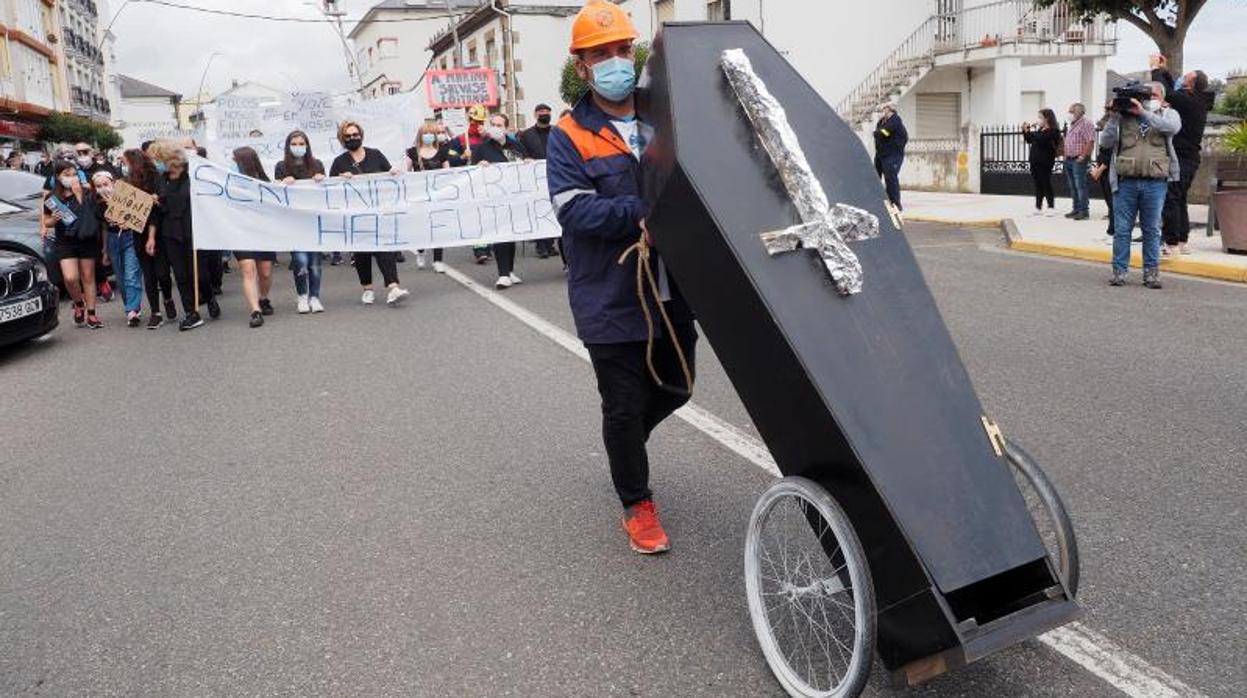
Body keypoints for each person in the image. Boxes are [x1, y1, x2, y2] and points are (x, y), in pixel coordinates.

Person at [547, 0, 697, 554]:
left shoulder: (667, 114)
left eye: (621, 49)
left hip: (672, 289)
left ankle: (625, 441)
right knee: (624, 404)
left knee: (679, 386)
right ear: (582, 67)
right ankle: (637, 503)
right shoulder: (568, 134)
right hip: (608, 295)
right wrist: (642, 216)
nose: (614, 61)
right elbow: (573, 209)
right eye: (600, 54)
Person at [1101, 81, 1181, 289]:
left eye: (1150, 95)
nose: (1144, 100)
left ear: (1161, 97)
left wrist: (1144, 113)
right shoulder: (1121, 117)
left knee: (1152, 230)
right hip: (1126, 182)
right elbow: (1106, 143)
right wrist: (1113, 116)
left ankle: (1151, 274)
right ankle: (1119, 272)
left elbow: (1172, 129)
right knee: (1122, 230)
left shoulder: (1167, 114)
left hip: (1155, 183)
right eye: (1143, 96)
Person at [328, 120, 410, 306]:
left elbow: (389, 176)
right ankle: (367, 289)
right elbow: (331, 190)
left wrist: (394, 173)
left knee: (385, 250)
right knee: (362, 253)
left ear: (361, 135)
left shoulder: (375, 154)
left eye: (355, 134)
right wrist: (341, 180)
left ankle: (393, 287)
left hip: (379, 213)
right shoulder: (340, 162)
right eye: (348, 136)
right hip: (355, 216)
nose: (352, 138)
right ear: (342, 139)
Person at [1153, 64, 1211, 255]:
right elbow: (1173, 90)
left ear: (1191, 84)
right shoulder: (1197, 100)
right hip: (1190, 158)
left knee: (1171, 198)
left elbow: (1168, 93)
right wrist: (1165, 71)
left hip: (1182, 157)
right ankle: (1182, 239)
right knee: (1179, 199)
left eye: (1186, 77)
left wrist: (1156, 69)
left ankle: (1171, 243)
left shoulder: (1188, 101)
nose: (1182, 77)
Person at [150, 142, 207, 330]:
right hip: (170, 232)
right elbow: (164, 208)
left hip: (191, 229)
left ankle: (210, 298)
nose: (156, 164)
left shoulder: (191, 174)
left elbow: (190, 199)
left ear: (169, 159)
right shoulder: (161, 179)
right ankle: (191, 312)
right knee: (181, 274)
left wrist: (164, 200)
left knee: (196, 273)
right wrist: (157, 202)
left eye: (158, 160)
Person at [41, 161, 104, 329]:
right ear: (58, 177)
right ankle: (78, 303)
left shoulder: (88, 192)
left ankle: (91, 314)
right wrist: (53, 220)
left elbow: (94, 215)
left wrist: (79, 195)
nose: (71, 178)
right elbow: (46, 221)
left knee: (88, 277)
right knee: (70, 278)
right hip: (65, 241)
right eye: (66, 175)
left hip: (86, 239)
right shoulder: (52, 197)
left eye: (74, 174)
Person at [473, 112, 529, 289]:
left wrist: (529, 163)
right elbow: (471, 173)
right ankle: (503, 274)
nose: (496, 128)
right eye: (493, 124)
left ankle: (509, 271)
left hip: (514, 197)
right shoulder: (482, 148)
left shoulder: (516, 146)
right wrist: (478, 166)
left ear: (506, 128)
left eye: (499, 125)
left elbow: (526, 163)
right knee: (500, 235)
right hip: (494, 198)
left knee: (510, 235)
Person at [122, 148, 176, 328]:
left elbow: (162, 202)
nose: (124, 166)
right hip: (138, 233)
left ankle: (168, 298)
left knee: (162, 273)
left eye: (126, 162)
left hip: (159, 231)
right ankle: (155, 312)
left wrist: (156, 199)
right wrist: (123, 221)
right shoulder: (127, 182)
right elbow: (124, 208)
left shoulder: (155, 177)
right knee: (149, 275)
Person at [276, 130, 328, 313]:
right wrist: (283, 182)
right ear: (288, 146)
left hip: (313, 221)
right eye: (294, 144)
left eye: (301, 143)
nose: (298, 147)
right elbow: (275, 193)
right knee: (300, 260)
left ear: (307, 145)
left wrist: (322, 180)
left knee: (315, 262)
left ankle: (315, 297)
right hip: (293, 223)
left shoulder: (317, 164)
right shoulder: (281, 166)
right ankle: (302, 296)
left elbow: (326, 193)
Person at [228, 147, 278, 328]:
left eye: (234, 160)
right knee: (248, 270)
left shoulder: (264, 183)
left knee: (265, 272)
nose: (231, 164)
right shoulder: (229, 183)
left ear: (244, 161)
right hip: (240, 232)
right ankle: (255, 310)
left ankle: (263, 298)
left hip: (262, 233)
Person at [92, 170, 144, 327]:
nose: (103, 188)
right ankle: (132, 306)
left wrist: (117, 208)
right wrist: (105, 250)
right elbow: (105, 228)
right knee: (120, 279)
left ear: (113, 183)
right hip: (114, 240)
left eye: (105, 184)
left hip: (130, 238)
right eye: (98, 186)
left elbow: (137, 217)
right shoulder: (98, 205)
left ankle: (132, 310)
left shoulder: (126, 196)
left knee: (131, 275)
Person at [444, 105, 492, 265]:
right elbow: (450, 160)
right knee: (475, 215)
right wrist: (463, 156)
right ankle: (479, 249)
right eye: (474, 120)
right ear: (469, 119)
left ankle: (489, 244)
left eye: (480, 121)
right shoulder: (458, 140)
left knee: (488, 214)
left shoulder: (489, 138)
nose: (477, 124)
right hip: (470, 184)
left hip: (488, 182)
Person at [405, 122, 448, 273]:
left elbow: (447, 172)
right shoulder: (412, 152)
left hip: (437, 195)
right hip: (420, 195)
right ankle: (421, 251)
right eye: (425, 133)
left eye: (431, 133)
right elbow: (407, 173)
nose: (429, 136)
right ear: (420, 135)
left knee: (438, 227)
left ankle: (438, 260)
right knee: (422, 226)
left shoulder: (442, 151)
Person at [519, 103, 560, 259]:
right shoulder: (526, 134)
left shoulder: (557, 131)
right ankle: (541, 245)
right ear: (535, 114)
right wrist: (526, 158)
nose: (544, 114)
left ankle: (550, 244)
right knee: (539, 210)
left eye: (547, 111)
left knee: (553, 210)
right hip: (535, 178)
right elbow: (521, 152)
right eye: (541, 112)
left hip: (555, 175)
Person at [1022, 109, 1062, 215]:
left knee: (1046, 183)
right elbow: (1030, 140)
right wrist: (1025, 131)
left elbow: (1042, 140)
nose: (1038, 120)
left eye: (1040, 117)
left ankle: (1051, 206)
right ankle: (1038, 207)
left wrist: (1032, 131)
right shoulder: (1040, 130)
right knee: (1038, 183)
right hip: (1035, 160)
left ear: (1047, 118)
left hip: (1045, 161)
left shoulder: (1053, 131)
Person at [1062, 103, 1096, 220]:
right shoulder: (1072, 124)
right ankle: (1076, 209)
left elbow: (1090, 141)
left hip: (1078, 159)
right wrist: (1065, 155)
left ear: (1079, 112)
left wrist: (1083, 156)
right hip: (1070, 159)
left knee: (1080, 186)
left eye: (1071, 112)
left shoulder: (1086, 124)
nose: (1069, 114)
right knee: (1073, 186)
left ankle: (1083, 211)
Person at [873, 102, 907, 211]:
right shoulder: (881, 122)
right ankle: (879, 200)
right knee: (875, 177)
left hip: (893, 155)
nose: (881, 112)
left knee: (890, 178)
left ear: (889, 109)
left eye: (883, 109)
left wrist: (878, 133)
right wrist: (879, 133)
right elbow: (881, 133)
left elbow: (885, 133)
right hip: (881, 154)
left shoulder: (895, 121)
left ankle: (895, 203)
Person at [1091, 102, 1117, 237]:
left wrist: (1100, 169)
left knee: (1114, 202)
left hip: (1109, 168)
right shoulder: (1109, 122)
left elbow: (1110, 151)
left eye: (1110, 108)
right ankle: (1112, 230)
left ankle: (1113, 231)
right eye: (1106, 108)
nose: (1107, 111)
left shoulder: (1116, 124)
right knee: (1109, 201)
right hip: (1103, 165)